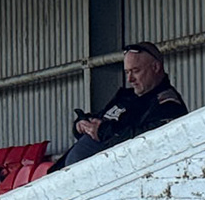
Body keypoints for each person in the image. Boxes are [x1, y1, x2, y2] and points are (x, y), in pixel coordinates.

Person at [56, 42, 188, 169]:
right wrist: (83, 124)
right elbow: (102, 119)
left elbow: (148, 141)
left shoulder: (167, 104)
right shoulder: (127, 97)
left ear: (155, 67)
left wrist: (104, 132)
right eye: (127, 72)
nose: (130, 79)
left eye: (135, 71)